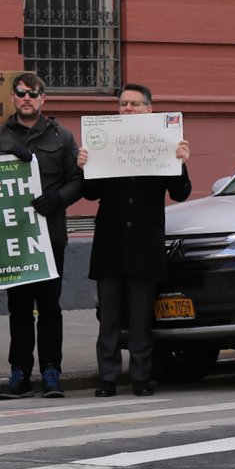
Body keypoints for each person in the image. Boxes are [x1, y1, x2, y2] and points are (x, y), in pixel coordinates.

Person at [80, 83, 192, 398]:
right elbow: (90, 193)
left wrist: (181, 161)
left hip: (144, 242)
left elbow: (180, 193)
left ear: (148, 109)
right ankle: (108, 378)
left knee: (142, 317)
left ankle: (142, 376)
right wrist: (85, 166)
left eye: (134, 104)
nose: (127, 109)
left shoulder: (163, 142)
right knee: (110, 318)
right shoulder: (104, 143)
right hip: (111, 242)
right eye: (123, 104)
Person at [0, 72, 82, 401]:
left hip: (50, 236)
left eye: (33, 93)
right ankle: (19, 372)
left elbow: (78, 180)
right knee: (19, 308)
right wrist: (10, 161)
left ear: (43, 99)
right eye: (21, 93)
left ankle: (51, 370)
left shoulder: (62, 136)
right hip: (14, 237)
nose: (27, 98)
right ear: (13, 97)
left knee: (50, 307)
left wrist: (59, 198)